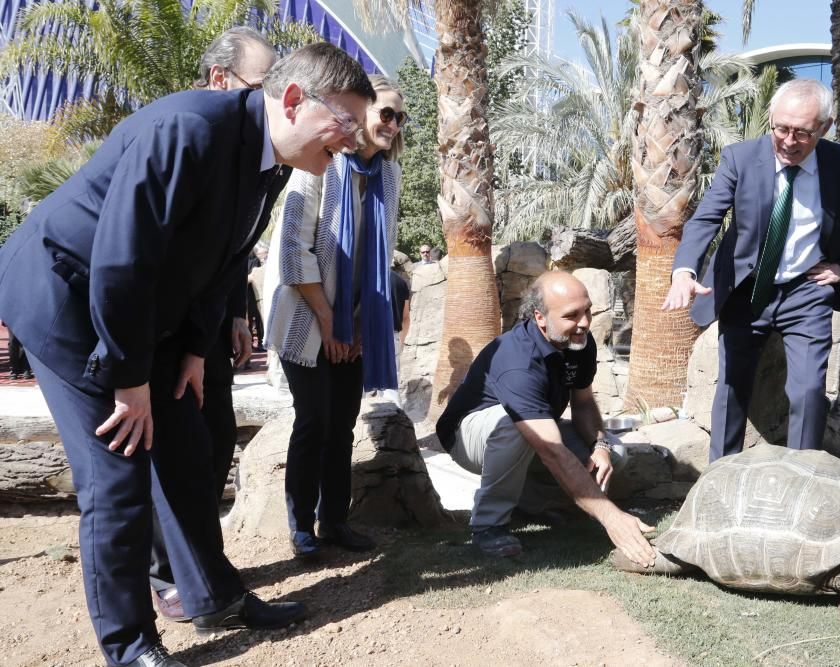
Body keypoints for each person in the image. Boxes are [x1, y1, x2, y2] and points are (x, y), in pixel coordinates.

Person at [0, 42, 376, 667]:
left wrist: (194, 353)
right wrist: (128, 378)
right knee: (117, 474)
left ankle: (215, 597)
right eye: (345, 122)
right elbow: (123, 258)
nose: (354, 141)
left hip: (145, 309)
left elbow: (220, 264)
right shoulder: (187, 130)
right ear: (291, 101)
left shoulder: (278, 159)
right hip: (66, 295)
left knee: (187, 450)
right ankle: (129, 645)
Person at [663, 78, 840, 463]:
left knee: (807, 391)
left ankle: (801, 476)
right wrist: (683, 272)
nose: (789, 141)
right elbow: (706, 218)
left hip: (807, 291)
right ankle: (720, 477)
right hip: (746, 290)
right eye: (782, 128)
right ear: (770, 119)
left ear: (825, 127)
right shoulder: (740, 158)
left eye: (802, 133)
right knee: (733, 388)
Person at [145, 26, 276, 624]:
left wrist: (236, 318)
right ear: (221, 80)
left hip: (210, 329)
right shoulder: (188, 136)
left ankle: (205, 568)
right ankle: (165, 575)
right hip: (161, 329)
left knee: (215, 442)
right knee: (173, 451)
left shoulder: (254, 156)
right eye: (264, 85)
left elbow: (231, 253)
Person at [265, 74, 406, 559]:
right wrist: (330, 323)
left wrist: (362, 325)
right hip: (306, 321)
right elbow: (291, 253)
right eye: (385, 113)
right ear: (359, 115)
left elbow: (378, 257)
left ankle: (335, 521)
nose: (393, 123)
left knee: (343, 422)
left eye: (399, 117)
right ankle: (301, 527)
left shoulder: (388, 175)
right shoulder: (317, 165)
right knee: (314, 420)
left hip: (352, 324)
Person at [435, 271, 656, 567]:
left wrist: (599, 444)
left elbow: (584, 402)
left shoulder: (578, 342)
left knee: (614, 454)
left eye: (587, 310)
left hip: (530, 430)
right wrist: (611, 517)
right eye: (571, 315)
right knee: (515, 427)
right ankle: (488, 525)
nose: (585, 322)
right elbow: (550, 449)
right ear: (540, 317)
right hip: (469, 438)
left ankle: (531, 504)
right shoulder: (518, 362)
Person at [379, 259, 410, 407]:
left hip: (370, 335)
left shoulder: (368, 278)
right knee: (392, 378)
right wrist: (402, 340)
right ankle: (396, 414)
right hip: (394, 335)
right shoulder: (401, 282)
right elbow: (405, 317)